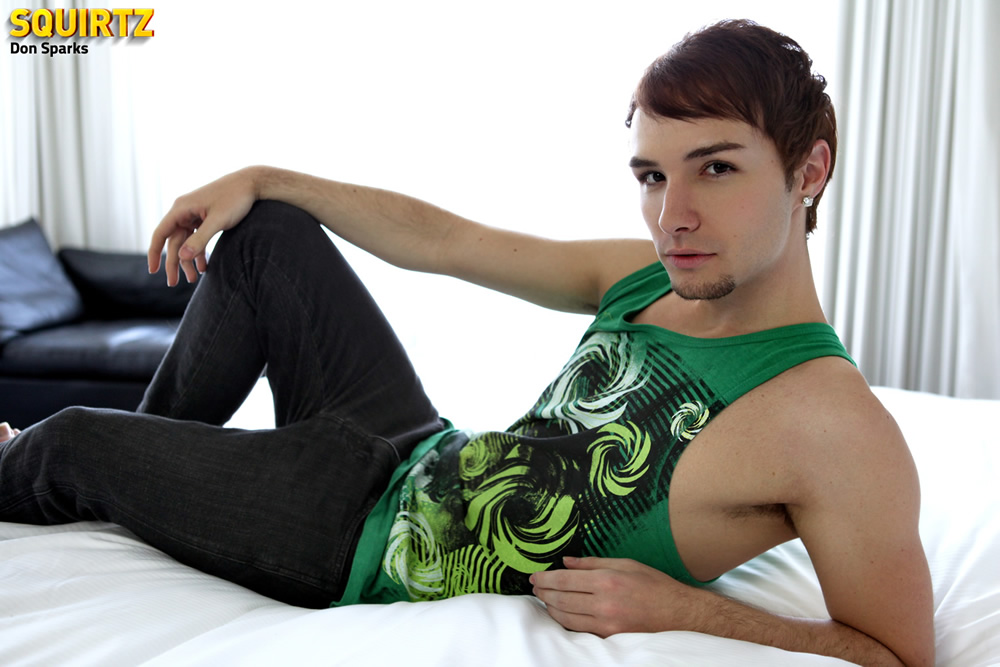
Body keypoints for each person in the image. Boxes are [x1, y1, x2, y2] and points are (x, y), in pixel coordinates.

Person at [0, 19, 932, 666]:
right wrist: (265, 175)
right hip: (408, 442)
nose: (672, 215)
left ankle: (68, 468)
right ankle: (146, 468)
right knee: (268, 231)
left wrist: (686, 610)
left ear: (809, 169)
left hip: (353, 541)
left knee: (69, 437)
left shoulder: (833, 425)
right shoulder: (648, 275)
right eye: (651, 175)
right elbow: (450, 242)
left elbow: (896, 652)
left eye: (715, 168)